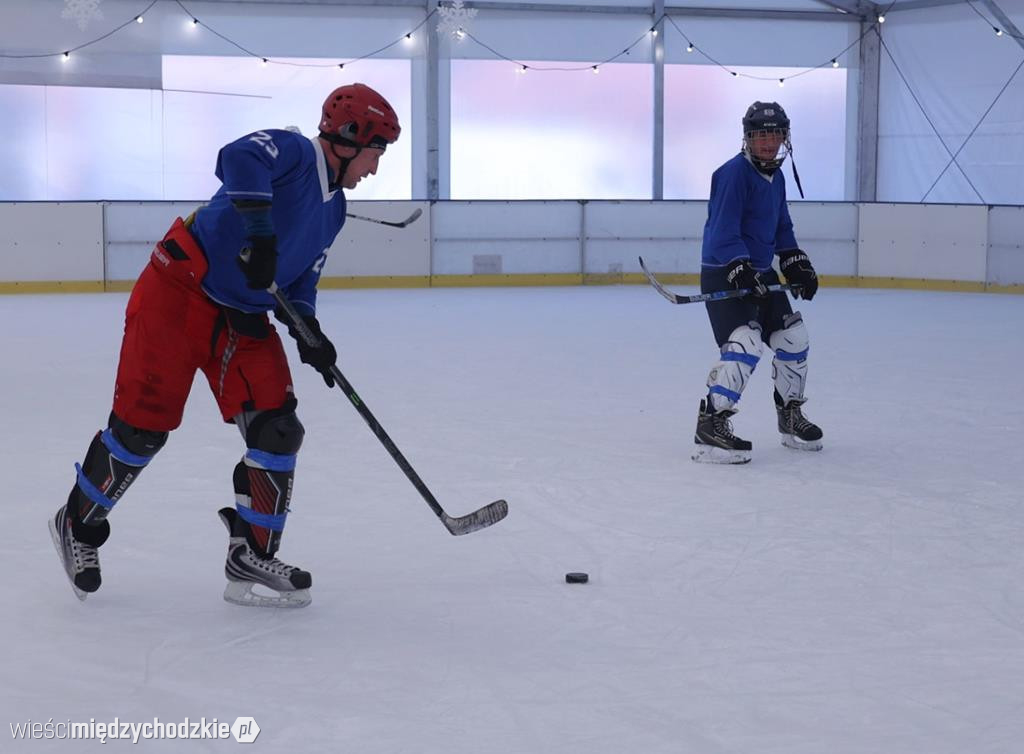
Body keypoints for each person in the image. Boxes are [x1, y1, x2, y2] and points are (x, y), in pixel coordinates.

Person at [49, 83, 401, 607]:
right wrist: (260, 235)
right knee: (140, 434)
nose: (375, 167)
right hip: (177, 289)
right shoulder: (295, 151)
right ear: (348, 139)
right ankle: (77, 522)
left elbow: (301, 281)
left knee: (278, 429)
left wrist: (310, 332)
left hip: (240, 315)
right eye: (376, 152)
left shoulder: (336, 211)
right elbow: (238, 157)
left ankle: (250, 554)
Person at [692, 101, 822, 464]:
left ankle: (790, 416)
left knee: (794, 338)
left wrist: (794, 261)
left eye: (775, 134)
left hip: (759, 272)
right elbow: (722, 231)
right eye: (760, 134)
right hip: (724, 270)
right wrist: (738, 268)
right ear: (747, 137)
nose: (768, 142)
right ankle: (711, 427)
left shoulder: (776, 177)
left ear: (785, 137)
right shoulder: (732, 174)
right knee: (745, 343)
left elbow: (781, 226)